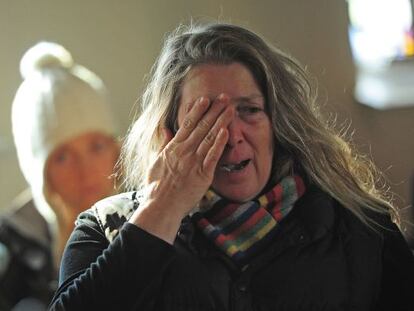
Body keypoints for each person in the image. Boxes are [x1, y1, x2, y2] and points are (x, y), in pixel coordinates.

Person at [50, 22, 414, 310]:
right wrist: (163, 207)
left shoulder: (361, 229)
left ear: (278, 123)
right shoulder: (103, 229)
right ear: (169, 134)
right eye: (206, 116)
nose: (231, 134)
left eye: (249, 111)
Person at [0, 42, 120, 310]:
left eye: (96, 147)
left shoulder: (153, 217)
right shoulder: (12, 248)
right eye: (62, 157)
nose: (85, 169)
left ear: (115, 148)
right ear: (39, 172)